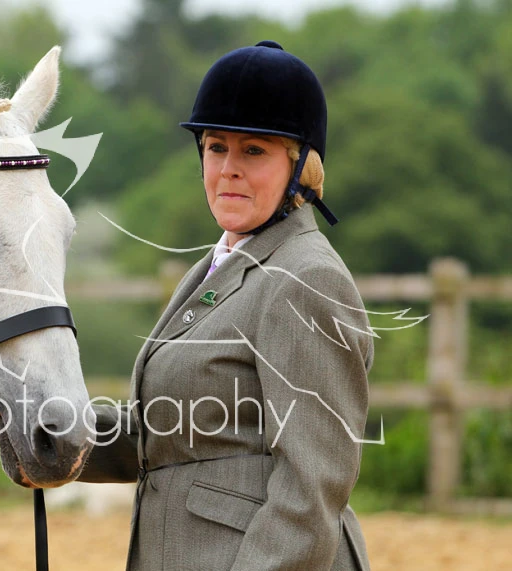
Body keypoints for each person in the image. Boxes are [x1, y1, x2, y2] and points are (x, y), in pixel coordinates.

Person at [78, 40, 373, 570]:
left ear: (301, 165)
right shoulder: (218, 267)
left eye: (253, 151)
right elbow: (165, 435)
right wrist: (30, 423)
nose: (228, 169)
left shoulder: (306, 278)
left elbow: (311, 488)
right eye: (217, 148)